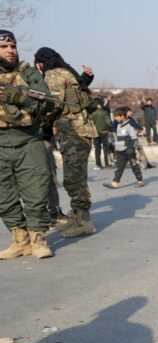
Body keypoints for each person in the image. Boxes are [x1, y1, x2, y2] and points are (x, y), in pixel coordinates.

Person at [0, 30, 54, 259]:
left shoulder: (27, 72)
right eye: (4, 47)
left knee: (36, 189)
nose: (10, 50)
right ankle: (19, 240)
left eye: (12, 46)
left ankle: (38, 239)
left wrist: (15, 97)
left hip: (27, 139)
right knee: (3, 193)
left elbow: (46, 101)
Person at [34, 46, 98, 238]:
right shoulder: (66, 72)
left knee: (73, 178)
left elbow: (53, 104)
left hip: (73, 132)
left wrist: (37, 119)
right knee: (75, 176)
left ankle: (84, 222)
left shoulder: (53, 75)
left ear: (40, 63)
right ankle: (77, 218)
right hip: (77, 131)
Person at [103, 107, 144, 189]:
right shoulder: (118, 126)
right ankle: (115, 183)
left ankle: (140, 181)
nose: (115, 118)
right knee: (119, 167)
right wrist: (116, 149)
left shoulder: (129, 125)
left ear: (122, 116)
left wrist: (131, 149)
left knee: (134, 165)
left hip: (129, 150)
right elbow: (118, 138)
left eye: (116, 116)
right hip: (120, 151)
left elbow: (134, 139)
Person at [91, 99, 111, 170]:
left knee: (97, 149)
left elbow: (90, 123)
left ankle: (98, 164)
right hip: (104, 132)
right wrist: (109, 129)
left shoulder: (93, 114)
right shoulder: (104, 113)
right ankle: (107, 164)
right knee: (106, 148)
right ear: (102, 105)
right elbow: (108, 122)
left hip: (95, 133)